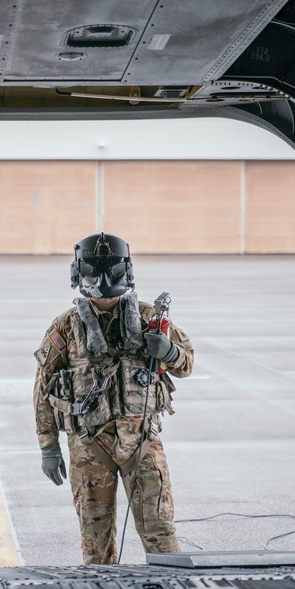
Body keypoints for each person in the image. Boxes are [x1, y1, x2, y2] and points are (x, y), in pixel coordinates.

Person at [33, 232, 193, 564]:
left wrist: (168, 350)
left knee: (161, 536)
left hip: (142, 443)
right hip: (89, 448)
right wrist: (48, 446)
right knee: (96, 546)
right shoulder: (65, 325)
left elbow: (186, 364)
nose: (104, 282)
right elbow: (43, 388)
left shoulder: (152, 320)